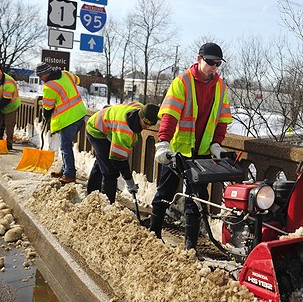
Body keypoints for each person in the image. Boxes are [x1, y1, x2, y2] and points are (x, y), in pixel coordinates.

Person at [150, 42, 233, 250]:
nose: (214, 67)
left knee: (197, 199)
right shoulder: (183, 81)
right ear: (199, 59)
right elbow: (170, 115)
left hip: (202, 152)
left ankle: (190, 247)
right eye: (210, 62)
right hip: (178, 150)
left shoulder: (221, 87)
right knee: (165, 193)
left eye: (218, 64)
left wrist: (216, 144)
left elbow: (222, 119)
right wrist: (163, 142)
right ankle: (153, 235)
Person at [86, 102, 160, 204]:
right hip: (96, 130)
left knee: (102, 162)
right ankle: (108, 205)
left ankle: (91, 194)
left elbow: (127, 104)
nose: (147, 127)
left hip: (106, 125)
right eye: (145, 123)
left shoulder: (140, 108)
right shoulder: (125, 130)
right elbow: (118, 159)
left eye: (151, 124)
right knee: (110, 171)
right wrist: (129, 181)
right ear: (140, 116)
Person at [35, 62, 87, 185]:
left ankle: (69, 174)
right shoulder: (66, 74)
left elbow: (48, 106)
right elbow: (77, 80)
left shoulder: (49, 86)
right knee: (66, 145)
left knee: (65, 147)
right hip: (80, 114)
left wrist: (46, 115)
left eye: (40, 76)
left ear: (45, 74)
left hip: (69, 119)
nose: (40, 79)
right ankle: (65, 170)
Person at [0, 66, 21, 151]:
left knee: (9, 125)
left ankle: (8, 145)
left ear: (0, 74)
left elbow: (6, 100)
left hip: (11, 106)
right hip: (0, 103)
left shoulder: (8, 83)